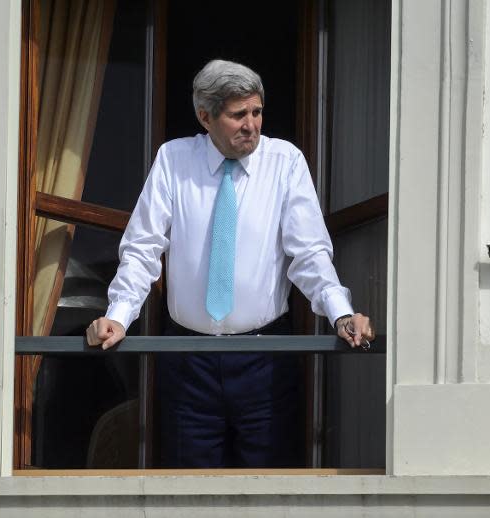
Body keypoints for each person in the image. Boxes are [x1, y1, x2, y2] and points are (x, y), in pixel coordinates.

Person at [86, 59, 375, 468]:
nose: (251, 124)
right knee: (190, 494)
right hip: (188, 362)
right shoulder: (173, 160)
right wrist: (118, 315)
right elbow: (142, 249)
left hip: (265, 361)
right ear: (205, 117)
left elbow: (309, 253)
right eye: (238, 115)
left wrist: (340, 315)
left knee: (267, 491)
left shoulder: (284, 161)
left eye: (256, 112)